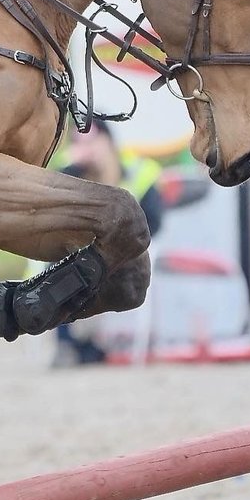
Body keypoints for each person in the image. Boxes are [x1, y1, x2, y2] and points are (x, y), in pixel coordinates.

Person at [55, 118, 164, 364]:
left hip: (129, 255)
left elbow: (155, 222)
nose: (87, 149)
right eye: (78, 142)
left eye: (91, 141)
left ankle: (87, 343)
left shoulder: (141, 172)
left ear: (109, 142)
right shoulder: (69, 174)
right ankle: (71, 344)